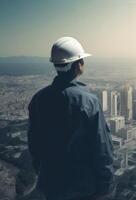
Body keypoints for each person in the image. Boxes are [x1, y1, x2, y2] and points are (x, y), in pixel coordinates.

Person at [28, 37, 114, 200]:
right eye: (82, 60)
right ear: (77, 64)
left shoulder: (38, 98)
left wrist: (44, 171)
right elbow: (101, 148)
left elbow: (34, 143)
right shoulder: (88, 101)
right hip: (82, 187)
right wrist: (106, 185)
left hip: (51, 186)